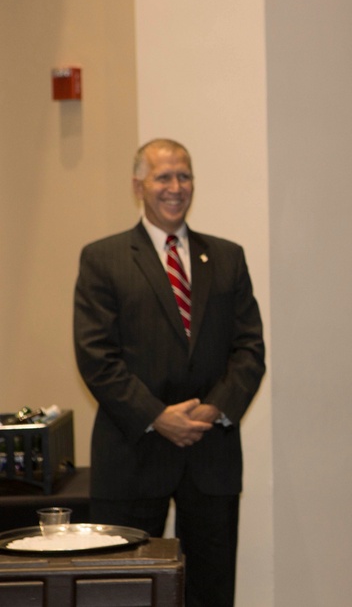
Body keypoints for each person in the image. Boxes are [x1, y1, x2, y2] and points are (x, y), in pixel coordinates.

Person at [74, 138, 265, 607]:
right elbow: (96, 356)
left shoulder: (226, 257)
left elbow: (250, 349)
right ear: (139, 185)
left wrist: (214, 408)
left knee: (212, 590)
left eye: (184, 176)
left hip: (210, 452)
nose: (176, 187)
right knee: (123, 593)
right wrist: (158, 416)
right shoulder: (104, 258)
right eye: (164, 176)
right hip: (133, 453)